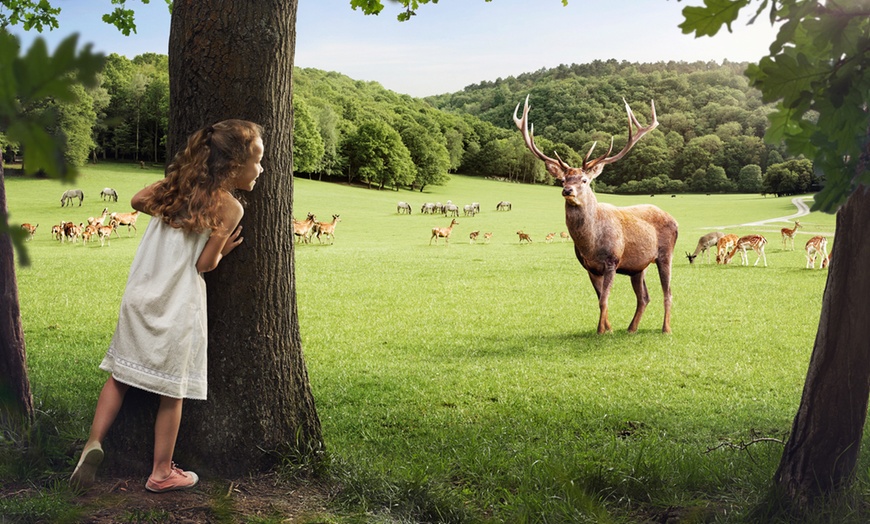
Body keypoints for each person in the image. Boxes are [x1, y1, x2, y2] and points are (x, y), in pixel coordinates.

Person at [70, 119, 265, 492]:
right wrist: (222, 249)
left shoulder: (175, 188)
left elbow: (136, 201)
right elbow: (203, 265)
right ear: (233, 166)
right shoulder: (230, 208)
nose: (260, 168)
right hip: (178, 306)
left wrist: (171, 210)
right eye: (256, 161)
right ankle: (161, 472)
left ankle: (93, 441)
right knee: (172, 392)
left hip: (139, 297)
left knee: (119, 377)